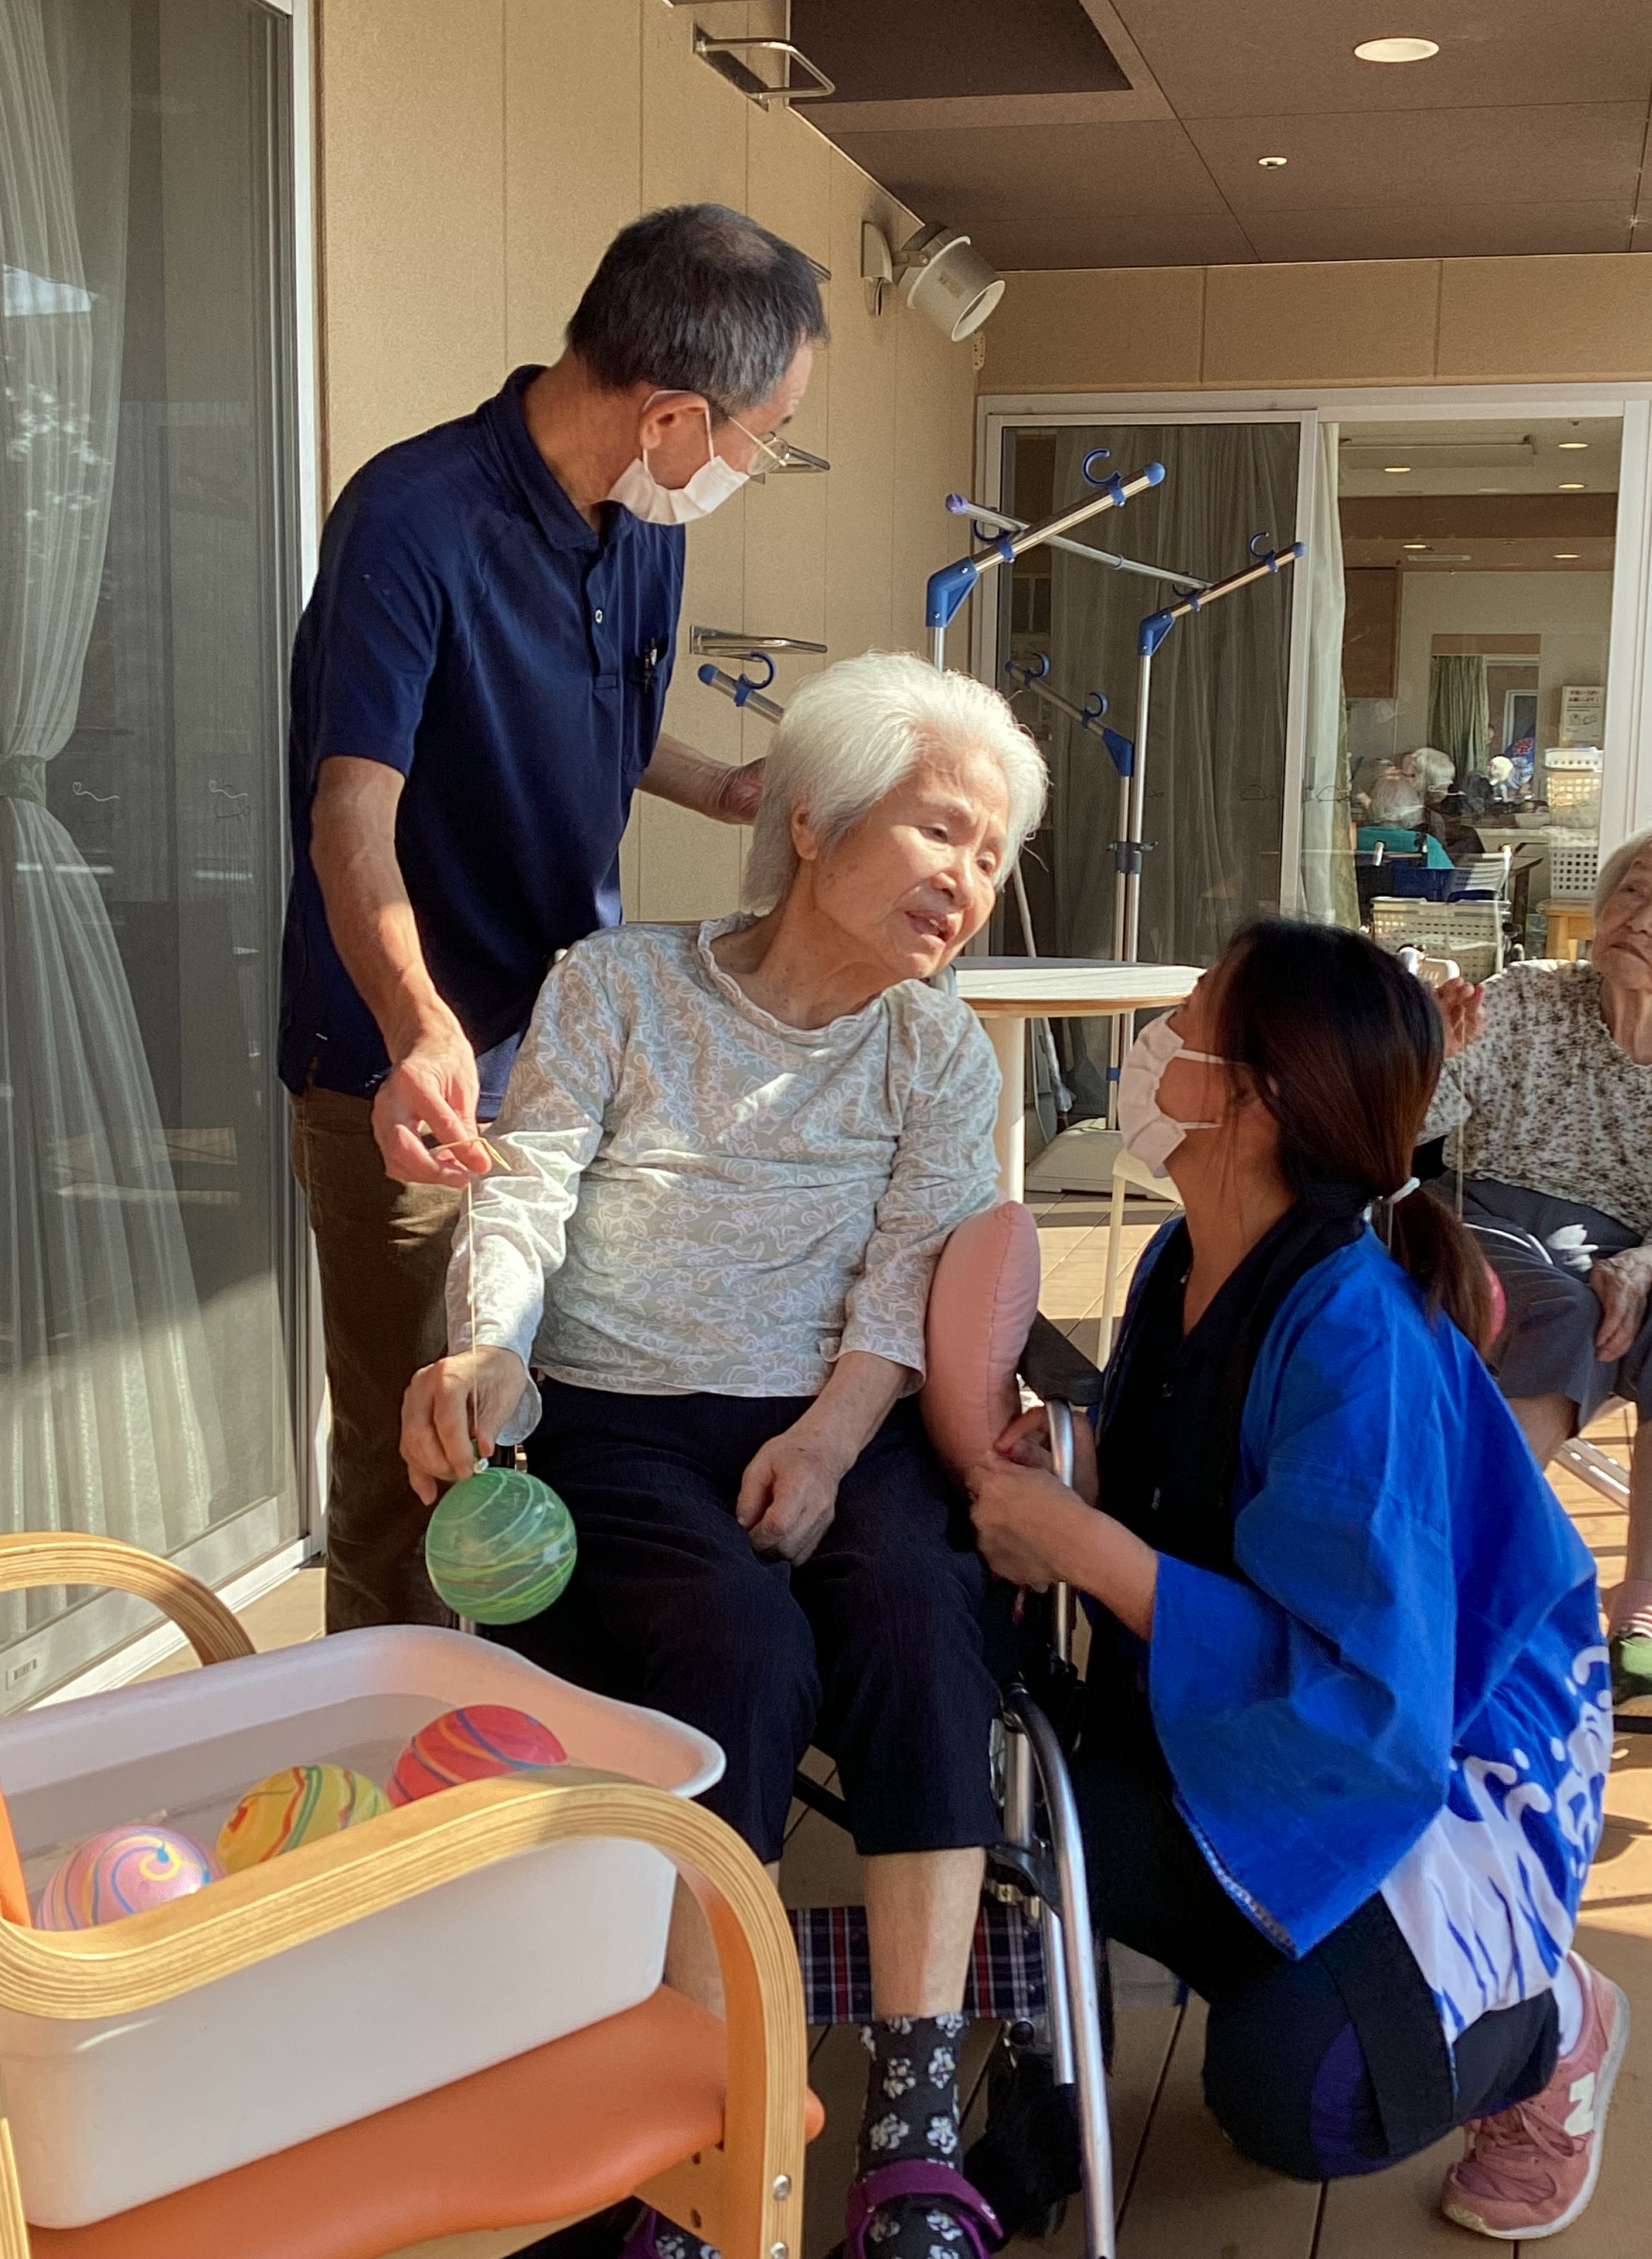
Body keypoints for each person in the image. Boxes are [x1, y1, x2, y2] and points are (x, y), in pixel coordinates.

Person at [401, 654, 1046, 2259]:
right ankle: (707, 2125)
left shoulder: (936, 1051)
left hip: (837, 1410)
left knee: (920, 1613)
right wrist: (490, 1345)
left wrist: (827, 1444)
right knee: (739, 1647)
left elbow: (907, 1273)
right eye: (942, 830)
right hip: (616, 1412)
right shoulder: (617, 984)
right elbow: (528, 1188)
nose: (967, 879)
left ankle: (913, 2126)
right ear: (813, 822)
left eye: (991, 854)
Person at [967, 921, 1617, 2240]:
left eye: (1193, 1012)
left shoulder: (1356, 1335)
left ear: (1256, 1100)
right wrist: (1082, 1461)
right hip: (1291, 1718)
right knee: (1056, 1818)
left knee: (1300, 2093)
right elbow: (1202, 1492)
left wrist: (1082, 1546)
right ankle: (1271, 1975)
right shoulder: (1183, 1260)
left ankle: (1551, 2025)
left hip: (1453, 1762)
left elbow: (1369, 1706)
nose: (1155, 1039)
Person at [281, 204, 826, 1632]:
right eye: (763, 438)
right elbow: (350, 815)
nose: (753, 467)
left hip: (569, 1053)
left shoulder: (638, 528)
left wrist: (726, 788)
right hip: (405, 1073)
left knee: (560, 1419)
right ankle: (392, 1755)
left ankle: (523, 1729)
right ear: (671, 417)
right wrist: (419, 1030)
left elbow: (603, 726)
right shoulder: (413, 520)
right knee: (415, 1465)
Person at [1425, 814, 1652, 1720]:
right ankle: (1456, 1577)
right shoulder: (1526, 997)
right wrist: (1431, 1050)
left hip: (1634, 1254)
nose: (1641, 918)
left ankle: (1644, 1618)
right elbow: (1421, 1124)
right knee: (1566, 1313)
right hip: (1486, 1225)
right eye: (1632, 890)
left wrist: (1649, 1265)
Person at [1354, 765, 1453, 870]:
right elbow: (1452, 878)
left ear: (1373, 804)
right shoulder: (1426, 844)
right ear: (1413, 807)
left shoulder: (1353, 836)